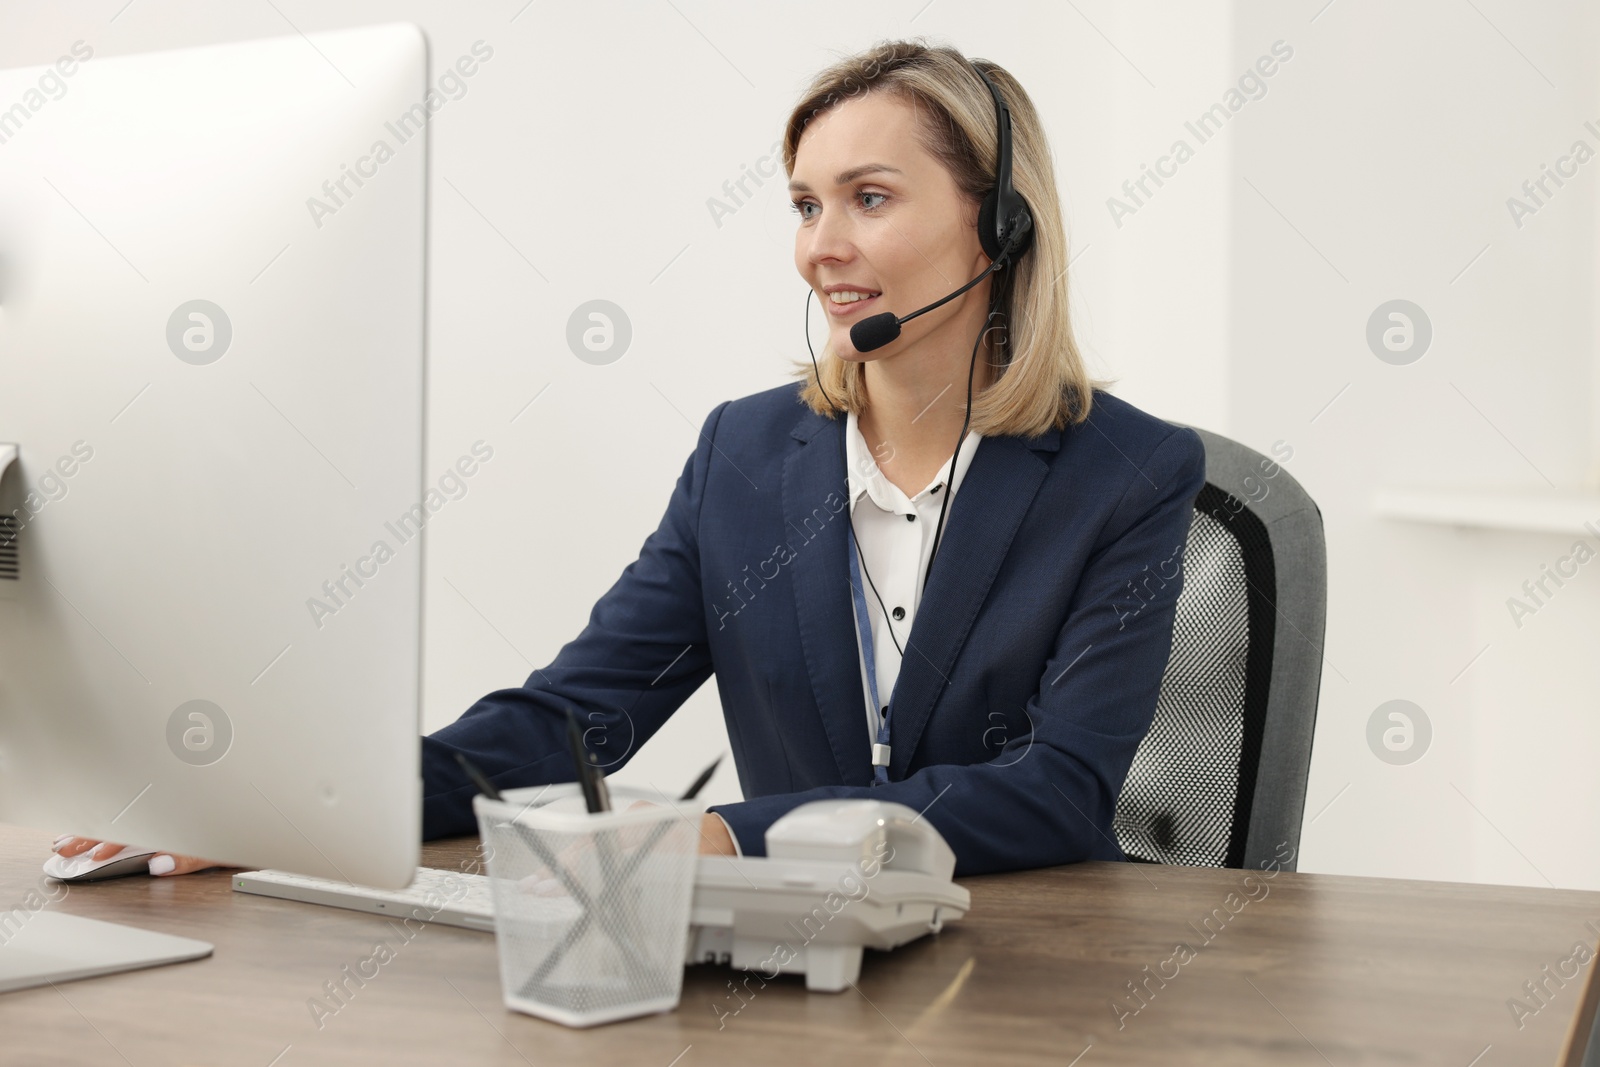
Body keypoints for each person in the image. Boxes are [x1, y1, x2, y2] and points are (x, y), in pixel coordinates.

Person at [54, 38, 1205, 879]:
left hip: (1032, 970)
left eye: (869, 198)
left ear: (999, 227)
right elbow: (574, 716)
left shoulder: (1128, 473)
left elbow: (1060, 793)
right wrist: (284, 809)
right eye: (805, 203)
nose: (821, 248)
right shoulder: (746, 455)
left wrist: (727, 831)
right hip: (795, 966)